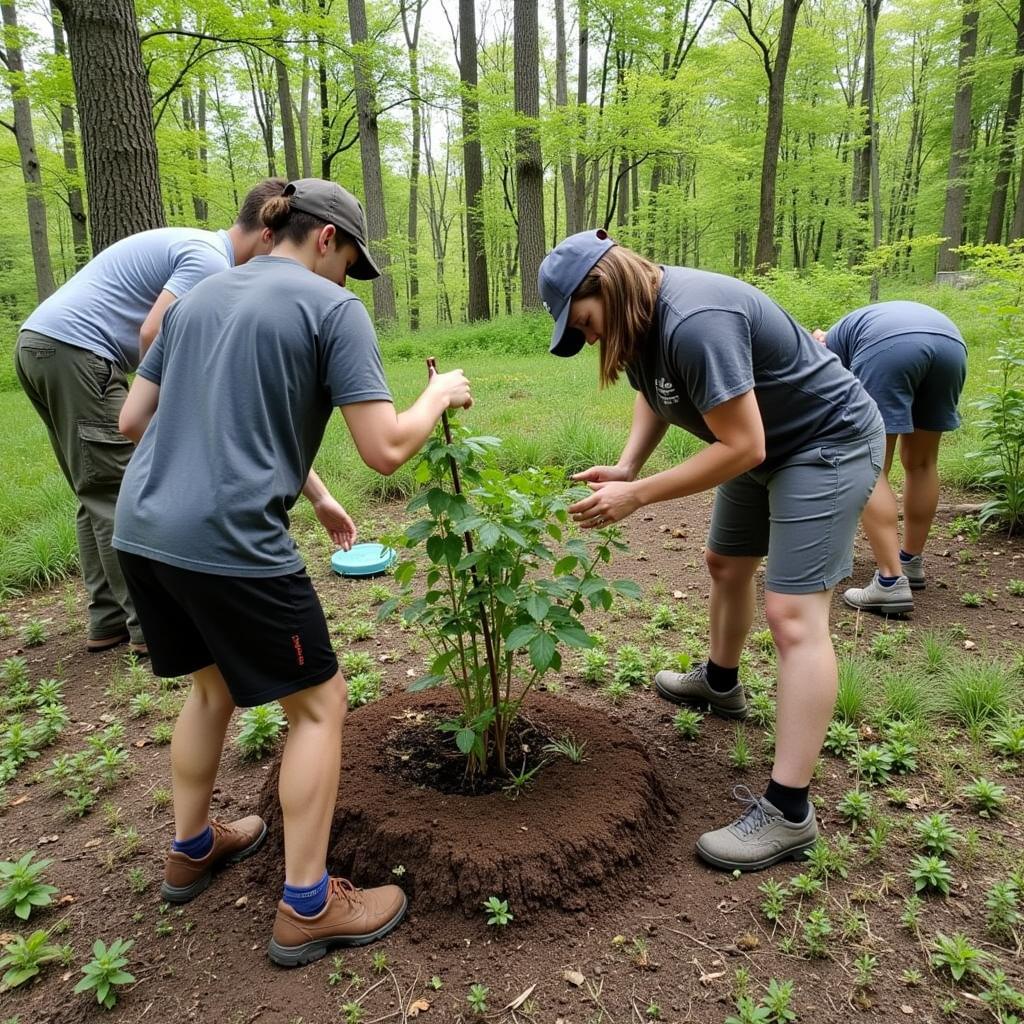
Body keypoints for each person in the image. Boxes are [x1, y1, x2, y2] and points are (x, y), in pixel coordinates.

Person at [112, 179, 472, 965]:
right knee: (319, 704)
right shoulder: (330, 308)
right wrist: (437, 395)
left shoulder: (199, 296)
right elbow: (384, 448)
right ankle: (307, 905)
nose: (348, 279)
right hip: (229, 541)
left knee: (211, 687)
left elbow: (131, 421)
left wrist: (305, 486)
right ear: (323, 240)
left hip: (141, 528)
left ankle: (192, 846)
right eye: (350, 262)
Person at [539, 230, 884, 872]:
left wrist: (640, 495)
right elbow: (656, 393)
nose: (586, 337)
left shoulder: (696, 320)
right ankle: (721, 684)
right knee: (725, 563)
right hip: (763, 446)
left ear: (603, 284)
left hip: (822, 444)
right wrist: (626, 466)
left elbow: (744, 446)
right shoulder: (640, 322)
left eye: (582, 322)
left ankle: (789, 812)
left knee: (793, 615)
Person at [14, 179, 286, 655]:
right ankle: (148, 627)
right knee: (120, 486)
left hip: (42, 346)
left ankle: (107, 620)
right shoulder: (209, 259)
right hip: (78, 352)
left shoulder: (197, 244)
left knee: (94, 487)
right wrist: (160, 401)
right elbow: (154, 331)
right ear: (267, 232)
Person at [811, 301, 968, 615]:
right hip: (951, 344)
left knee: (869, 464)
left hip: (889, 348)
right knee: (922, 462)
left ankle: (890, 581)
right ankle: (910, 561)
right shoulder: (847, 329)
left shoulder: (824, 350)